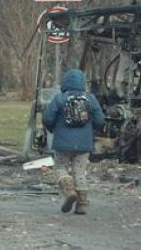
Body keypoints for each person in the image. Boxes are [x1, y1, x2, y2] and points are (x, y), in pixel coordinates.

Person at [42, 69, 105, 215]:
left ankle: (68, 189)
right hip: (84, 144)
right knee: (80, 172)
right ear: (83, 83)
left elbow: (47, 118)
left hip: (62, 143)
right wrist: (90, 130)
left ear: (64, 83)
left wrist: (53, 129)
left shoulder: (59, 98)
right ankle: (82, 204)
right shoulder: (91, 99)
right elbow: (100, 120)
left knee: (60, 167)